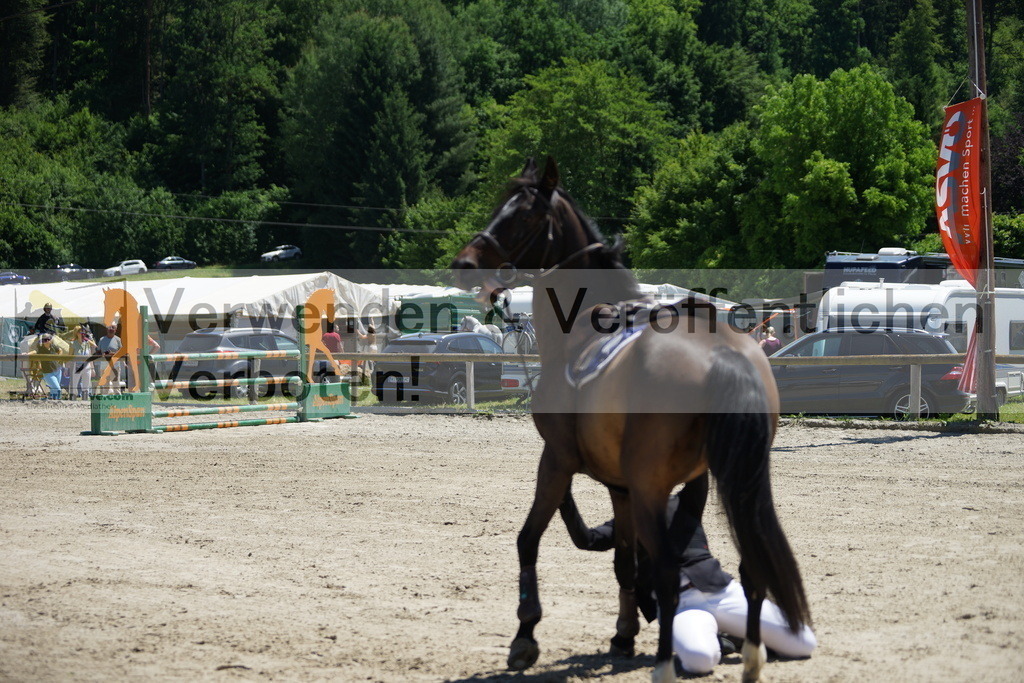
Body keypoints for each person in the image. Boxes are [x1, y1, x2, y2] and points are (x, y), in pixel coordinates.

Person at [559, 481, 816, 676]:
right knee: (700, 660)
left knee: (804, 643)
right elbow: (587, 540)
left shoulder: (685, 502)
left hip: (723, 591)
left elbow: (698, 473)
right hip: (680, 607)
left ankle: (733, 635)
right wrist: (563, 496)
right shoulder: (624, 523)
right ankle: (720, 637)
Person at [32, 334, 64, 399]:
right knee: (57, 388)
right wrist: (27, 354)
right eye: (44, 340)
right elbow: (35, 352)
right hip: (48, 372)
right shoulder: (41, 349)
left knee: (53, 389)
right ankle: (57, 401)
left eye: (47, 339)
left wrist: (58, 358)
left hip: (57, 370)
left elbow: (60, 350)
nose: (46, 341)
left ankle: (53, 402)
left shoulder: (53, 346)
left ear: (50, 340)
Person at [70, 325, 98, 399]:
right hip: (77, 366)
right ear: (76, 333)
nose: (82, 333)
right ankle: (72, 400)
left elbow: (95, 346)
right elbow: (69, 356)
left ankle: (85, 400)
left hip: (87, 366)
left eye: (83, 332)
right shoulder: (73, 343)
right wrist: (67, 368)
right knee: (74, 385)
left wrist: (92, 368)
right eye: (80, 332)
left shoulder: (87, 342)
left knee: (86, 385)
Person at [97, 324, 123, 394]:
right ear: (107, 329)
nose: (111, 329)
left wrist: (113, 354)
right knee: (105, 386)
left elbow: (122, 352)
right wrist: (102, 354)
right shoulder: (102, 339)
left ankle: (118, 401)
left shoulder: (118, 339)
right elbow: (98, 351)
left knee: (116, 385)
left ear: (115, 330)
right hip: (104, 366)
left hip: (115, 366)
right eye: (109, 327)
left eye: (113, 328)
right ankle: (104, 401)